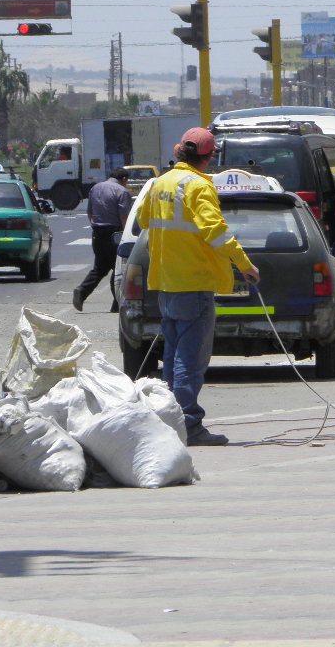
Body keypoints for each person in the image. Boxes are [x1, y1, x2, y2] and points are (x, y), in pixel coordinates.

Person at [137, 128, 259, 447]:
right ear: (208, 157)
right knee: (190, 360)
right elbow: (215, 231)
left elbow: (143, 220)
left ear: (180, 152)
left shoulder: (159, 183)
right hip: (194, 283)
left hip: (165, 282)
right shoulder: (198, 186)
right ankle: (188, 424)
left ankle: (170, 420)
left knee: (175, 355)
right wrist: (244, 265)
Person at [73, 167, 132, 313]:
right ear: (124, 179)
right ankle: (117, 303)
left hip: (98, 232)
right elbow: (124, 217)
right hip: (115, 233)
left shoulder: (95, 188)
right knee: (118, 268)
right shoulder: (122, 191)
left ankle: (82, 291)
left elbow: (90, 214)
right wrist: (126, 236)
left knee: (100, 268)